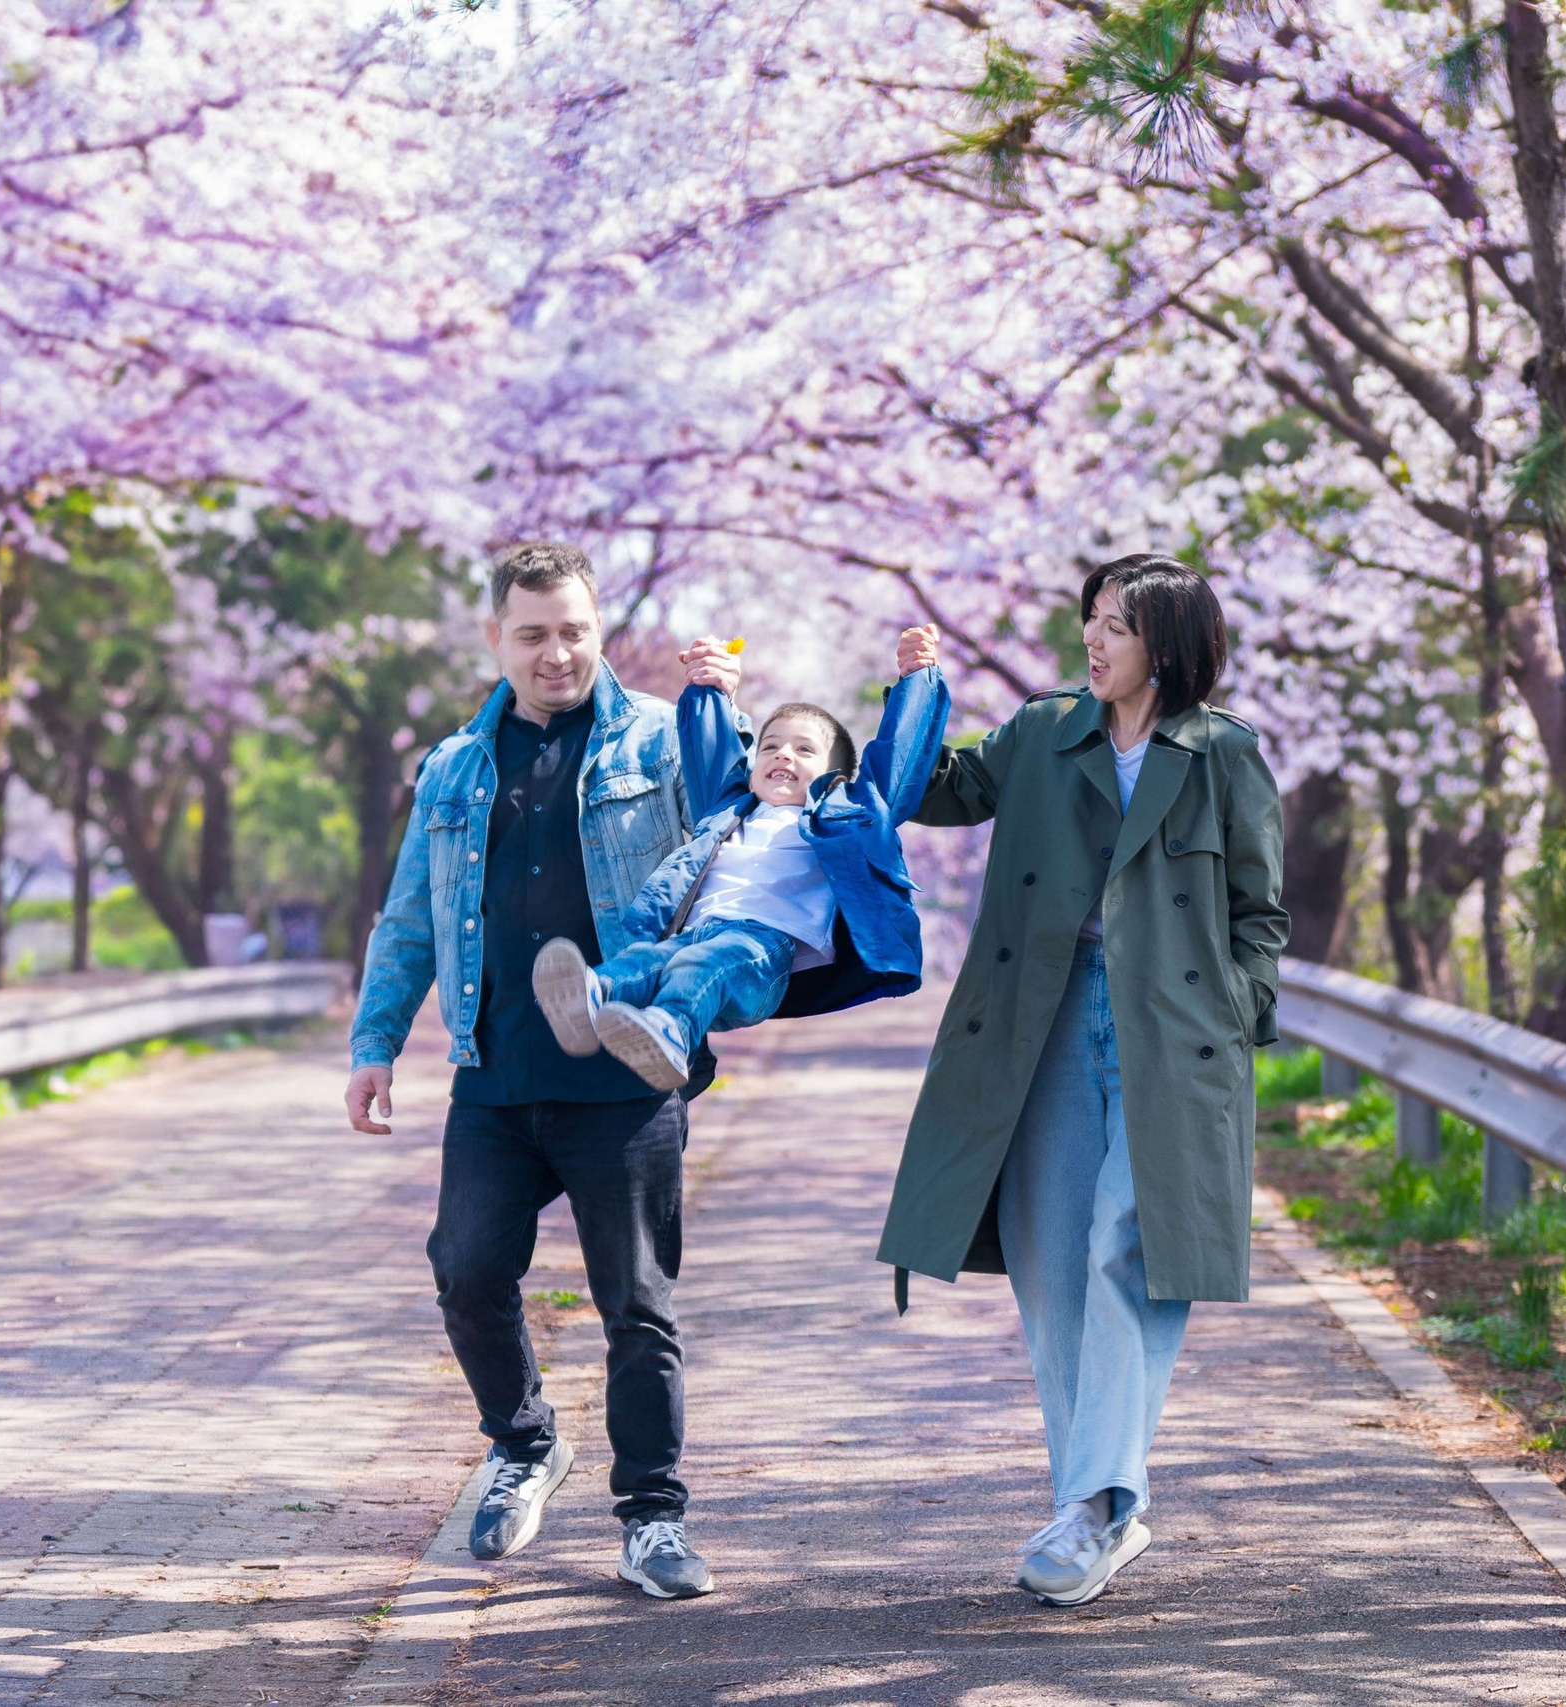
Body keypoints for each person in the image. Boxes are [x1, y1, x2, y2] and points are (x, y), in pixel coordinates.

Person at [874, 553, 1288, 1608]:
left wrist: (1235, 1015)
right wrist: (914, 695)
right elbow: (926, 791)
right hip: (1041, 1023)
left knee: (1126, 1245)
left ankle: (1100, 1504)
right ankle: (1091, 1501)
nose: (1093, 642)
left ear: (1170, 643)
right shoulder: (1041, 732)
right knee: (1053, 1263)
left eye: (1116, 625)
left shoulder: (1221, 753)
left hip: (1173, 1040)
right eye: (1090, 621)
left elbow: (1260, 913)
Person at [343, 542, 747, 1600]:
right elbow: (407, 923)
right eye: (532, 633)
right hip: (494, 1075)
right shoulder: (451, 768)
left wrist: (726, 716)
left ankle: (654, 1520)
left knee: (637, 1306)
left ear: (597, 627)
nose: (556, 652)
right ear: (495, 639)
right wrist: (375, 1043)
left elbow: (747, 818)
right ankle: (522, 1442)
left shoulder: (664, 741)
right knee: (466, 1269)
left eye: (572, 629)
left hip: (623, 1077)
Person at [532, 626, 950, 1085]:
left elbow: (899, 762)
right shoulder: (730, 810)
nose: (782, 754)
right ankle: (591, 997)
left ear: (837, 775)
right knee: (650, 960)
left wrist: (918, 678)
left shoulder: (848, 815)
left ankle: (671, 1032)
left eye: (804, 749)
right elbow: (712, 749)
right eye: (769, 746)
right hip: (698, 932)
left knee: (699, 966)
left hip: (763, 949)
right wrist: (711, 689)